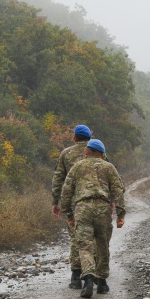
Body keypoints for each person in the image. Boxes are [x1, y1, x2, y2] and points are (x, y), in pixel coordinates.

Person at [60, 139, 126, 298]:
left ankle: (88, 279)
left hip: (82, 209)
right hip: (103, 209)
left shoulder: (77, 167)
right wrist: (120, 214)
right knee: (102, 244)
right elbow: (118, 190)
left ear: (86, 151)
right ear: (103, 154)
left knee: (84, 245)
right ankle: (102, 283)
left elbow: (66, 191)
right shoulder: (109, 167)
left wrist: (69, 214)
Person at [51, 124, 92, 289]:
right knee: (94, 237)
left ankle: (76, 277)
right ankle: (93, 274)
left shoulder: (66, 154)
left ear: (74, 138)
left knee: (76, 237)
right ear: (90, 137)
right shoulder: (97, 151)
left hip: (74, 202)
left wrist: (56, 202)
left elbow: (58, 179)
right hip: (96, 201)